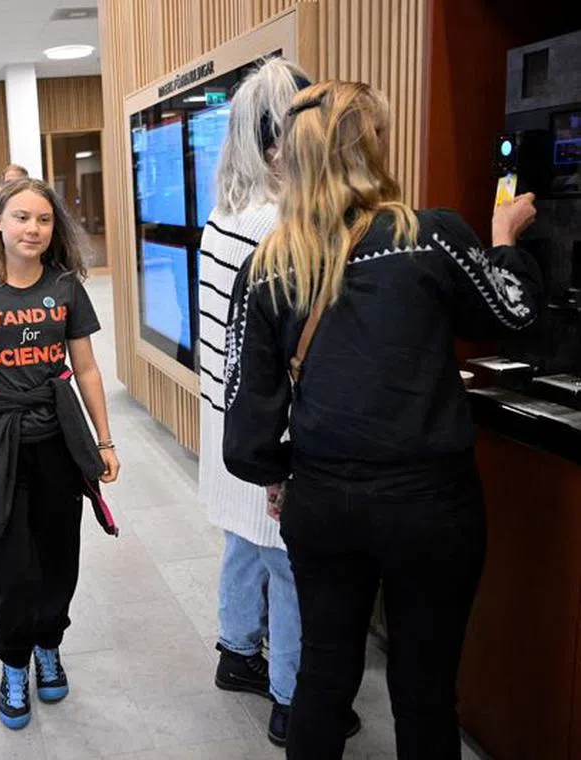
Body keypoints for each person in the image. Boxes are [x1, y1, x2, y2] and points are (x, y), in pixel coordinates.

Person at [222, 80, 541, 759]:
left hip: (324, 505)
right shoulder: (431, 237)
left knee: (324, 677)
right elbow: (513, 313)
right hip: (432, 507)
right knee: (425, 692)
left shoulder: (267, 268)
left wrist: (283, 475)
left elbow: (245, 435)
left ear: (298, 161)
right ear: (369, 148)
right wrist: (505, 238)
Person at [198, 58, 361, 747]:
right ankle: (293, 699)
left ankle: (237, 651)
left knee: (244, 544)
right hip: (269, 429)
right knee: (292, 569)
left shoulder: (222, 215)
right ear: (280, 142)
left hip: (224, 419)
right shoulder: (281, 227)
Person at [0, 178, 121, 730]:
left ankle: (48, 645)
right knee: (10, 566)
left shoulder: (65, 286)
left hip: (59, 438)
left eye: (43, 220)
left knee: (60, 557)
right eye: (22, 218)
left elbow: (85, 368)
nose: (33, 229)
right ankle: (14, 660)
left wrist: (104, 441)